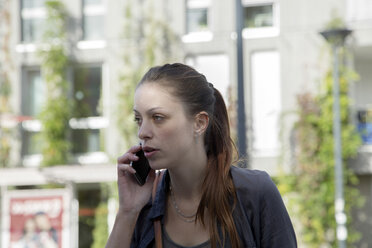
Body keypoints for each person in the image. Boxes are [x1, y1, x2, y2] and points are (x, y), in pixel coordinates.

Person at [106, 63, 297, 248]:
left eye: (158, 118)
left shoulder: (255, 193)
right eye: (138, 119)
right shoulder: (142, 204)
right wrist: (127, 212)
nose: (142, 132)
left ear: (199, 123)